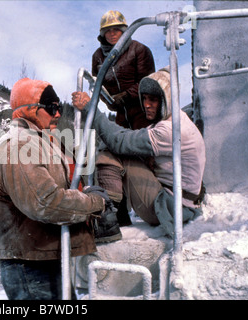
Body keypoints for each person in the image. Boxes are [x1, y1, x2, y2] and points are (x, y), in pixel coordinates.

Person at [0, 78, 117, 300]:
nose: (57, 114)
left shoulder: (44, 142)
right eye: (52, 108)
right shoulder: (18, 146)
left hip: (45, 258)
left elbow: (76, 162)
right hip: (30, 268)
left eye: (59, 108)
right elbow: (44, 202)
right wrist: (95, 203)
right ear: (30, 110)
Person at [72, 67, 206, 237]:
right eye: (144, 98)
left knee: (109, 149)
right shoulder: (179, 119)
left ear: (167, 100)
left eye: (153, 100)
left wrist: (91, 108)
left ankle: (108, 220)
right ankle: (115, 214)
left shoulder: (169, 129)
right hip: (182, 203)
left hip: (172, 208)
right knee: (124, 148)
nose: (147, 105)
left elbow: (118, 141)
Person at [92, 10, 156, 230]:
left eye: (117, 30)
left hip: (141, 110)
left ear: (125, 31)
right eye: (108, 31)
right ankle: (120, 213)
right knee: (111, 153)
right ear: (102, 34)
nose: (113, 34)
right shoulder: (98, 57)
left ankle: (152, 206)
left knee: (145, 155)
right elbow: (97, 84)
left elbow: (147, 83)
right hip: (119, 113)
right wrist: (108, 101)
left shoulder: (140, 50)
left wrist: (124, 97)